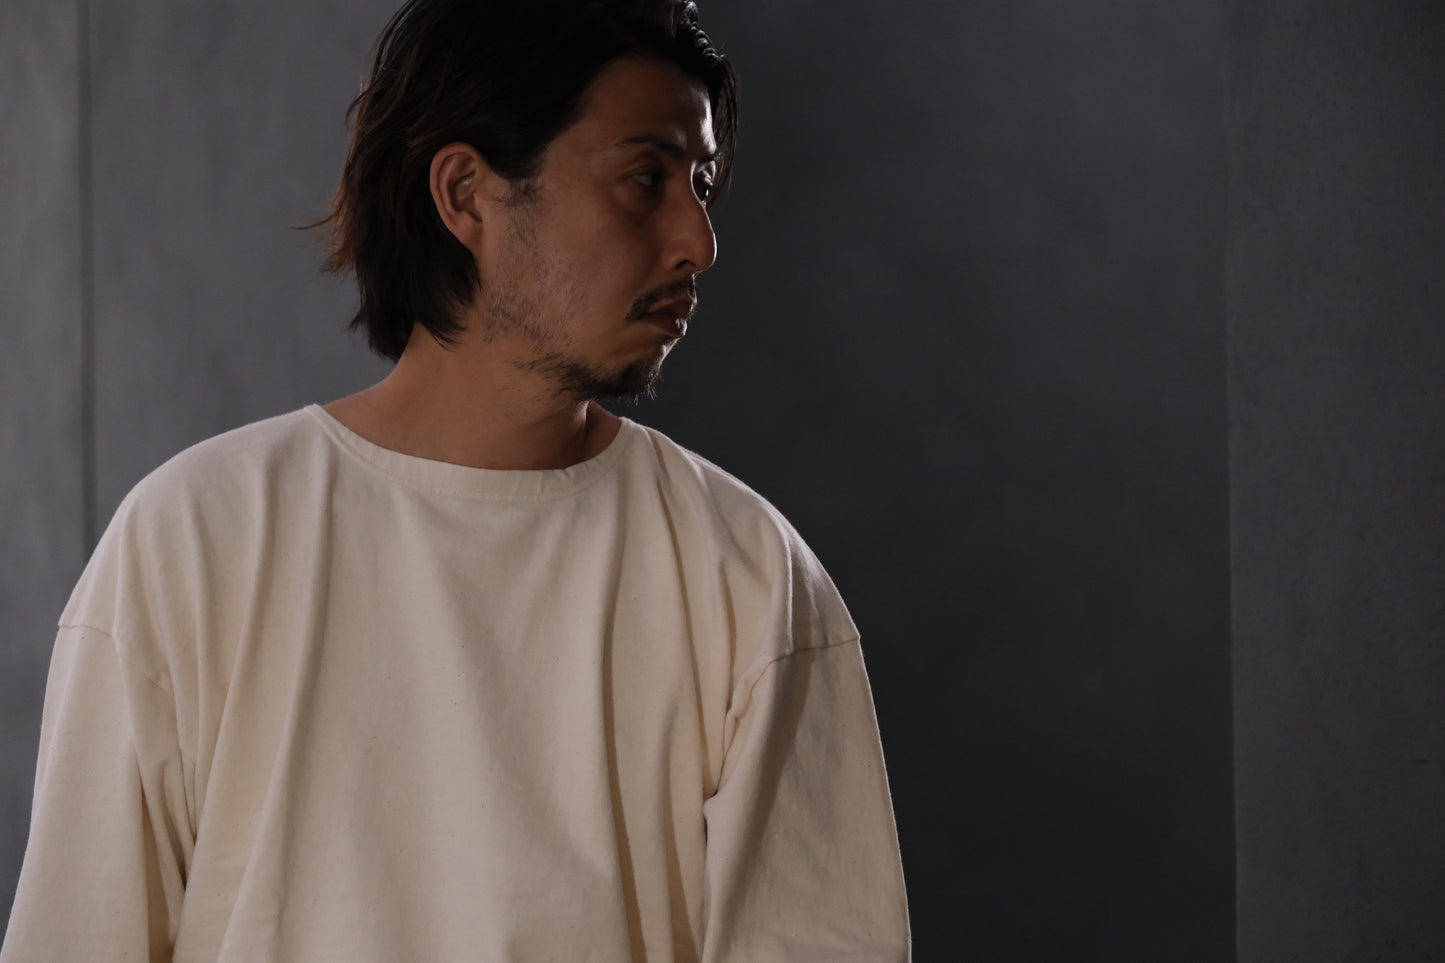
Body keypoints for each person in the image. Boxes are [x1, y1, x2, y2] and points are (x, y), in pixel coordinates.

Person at [2, 0, 910, 959]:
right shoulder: (194, 540)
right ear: (467, 194)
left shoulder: (751, 576)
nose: (698, 240)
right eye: (645, 179)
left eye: (703, 184)